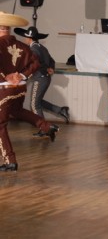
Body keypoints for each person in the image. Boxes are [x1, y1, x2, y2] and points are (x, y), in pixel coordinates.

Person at [0, 11, 59, 172]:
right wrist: (21, 75)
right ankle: (46, 126)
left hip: (4, 90)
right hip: (20, 89)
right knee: (17, 111)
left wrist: (7, 76)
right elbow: (36, 63)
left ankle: (10, 161)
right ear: (9, 28)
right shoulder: (23, 46)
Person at [14, 26, 70, 137]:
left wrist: (23, 75)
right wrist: (51, 69)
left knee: (34, 104)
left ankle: (44, 128)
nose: (24, 39)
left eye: (26, 37)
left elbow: (36, 64)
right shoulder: (42, 47)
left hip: (40, 78)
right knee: (38, 102)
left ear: (29, 38)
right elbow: (51, 61)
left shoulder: (33, 49)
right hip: (45, 78)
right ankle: (60, 110)